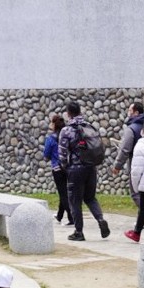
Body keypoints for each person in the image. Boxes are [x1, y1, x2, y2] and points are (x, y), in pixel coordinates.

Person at [58, 101, 110, 242]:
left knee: (75, 201)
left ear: (68, 113)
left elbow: (62, 153)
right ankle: (100, 219)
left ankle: (79, 232)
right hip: (91, 167)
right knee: (90, 197)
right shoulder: (90, 127)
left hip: (75, 169)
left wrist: (65, 168)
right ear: (80, 111)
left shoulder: (67, 130)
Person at [111, 101, 144, 228]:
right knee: (143, 194)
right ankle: (143, 221)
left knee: (135, 193)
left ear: (136, 112)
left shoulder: (131, 129)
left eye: (130, 110)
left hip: (136, 165)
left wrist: (117, 166)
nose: (128, 113)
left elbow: (125, 149)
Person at [42, 113, 69, 224]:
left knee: (63, 193)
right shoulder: (67, 136)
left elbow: (46, 155)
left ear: (54, 124)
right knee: (65, 192)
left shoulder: (51, 139)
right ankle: (59, 215)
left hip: (57, 168)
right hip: (68, 167)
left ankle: (72, 217)